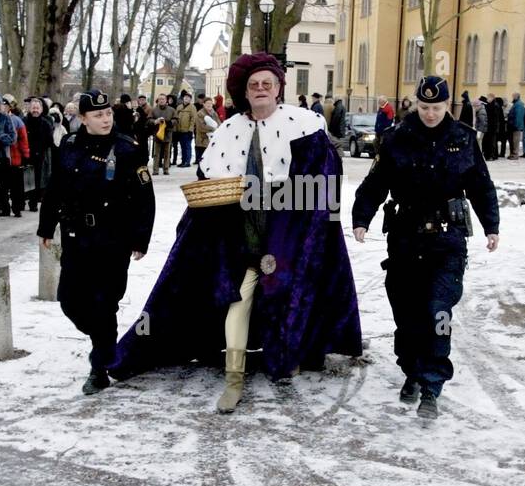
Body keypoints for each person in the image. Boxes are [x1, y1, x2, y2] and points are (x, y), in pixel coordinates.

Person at [103, 52, 363, 413]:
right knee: (237, 304)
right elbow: (207, 184)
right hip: (242, 239)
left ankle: (290, 354)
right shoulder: (229, 130)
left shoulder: (304, 126)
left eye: (267, 84)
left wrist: (303, 217)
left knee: (288, 295)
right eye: (253, 84)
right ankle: (233, 379)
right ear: (245, 90)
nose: (260, 89)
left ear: (278, 89)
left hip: (287, 237)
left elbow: (323, 185)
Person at [352, 76, 499, 420]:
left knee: (438, 311)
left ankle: (432, 383)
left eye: (436, 107)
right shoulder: (397, 137)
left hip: (447, 241)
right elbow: (376, 182)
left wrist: (491, 225)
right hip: (405, 238)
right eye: (424, 107)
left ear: (447, 105)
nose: (430, 113)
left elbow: (481, 184)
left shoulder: (463, 138)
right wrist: (362, 217)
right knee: (407, 313)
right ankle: (412, 371)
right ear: (415, 104)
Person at [38, 89, 154, 395]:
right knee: (69, 301)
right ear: (83, 118)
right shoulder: (70, 145)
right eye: (98, 115)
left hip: (112, 240)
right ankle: (105, 344)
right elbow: (55, 188)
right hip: (77, 238)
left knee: (105, 304)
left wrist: (141, 238)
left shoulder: (128, 148)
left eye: (108, 114)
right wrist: (46, 226)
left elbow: (145, 198)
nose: (105, 119)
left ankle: (99, 367)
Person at [23, 96, 54, 211]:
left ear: (41, 109)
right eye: (33, 108)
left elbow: (49, 141)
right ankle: (22, 201)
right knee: (25, 178)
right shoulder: (24, 121)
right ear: (29, 109)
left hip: (38, 155)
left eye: (37, 108)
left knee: (36, 179)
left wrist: (40, 149)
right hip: (25, 154)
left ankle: (33, 202)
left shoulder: (46, 123)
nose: (35, 110)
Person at [150, 94, 174, 175]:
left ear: (166, 100)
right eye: (160, 99)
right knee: (156, 153)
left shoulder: (171, 110)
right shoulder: (154, 110)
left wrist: (168, 122)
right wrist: (155, 121)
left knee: (167, 153)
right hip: (157, 134)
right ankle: (155, 170)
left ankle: (166, 169)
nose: (161, 100)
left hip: (167, 133)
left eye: (163, 99)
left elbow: (176, 120)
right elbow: (149, 120)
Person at [173, 92, 197, 167]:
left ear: (190, 99)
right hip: (180, 130)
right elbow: (176, 118)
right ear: (183, 98)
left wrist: (191, 130)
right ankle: (183, 161)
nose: (186, 98)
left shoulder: (192, 107)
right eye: (185, 97)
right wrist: (175, 129)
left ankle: (187, 161)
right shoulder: (179, 107)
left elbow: (193, 119)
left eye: (188, 97)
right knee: (182, 146)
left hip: (187, 131)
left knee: (187, 146)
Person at [194, 95, 220, 164]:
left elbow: (219, 123)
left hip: (212, 140)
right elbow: (201, 127)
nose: (209, 105)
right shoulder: (200, 113)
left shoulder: (214, 113)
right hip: (202, 141)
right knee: (202, 161)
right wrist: (214, 129)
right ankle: (200, 173)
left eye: (210, 103)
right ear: (204, 104)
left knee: (210, 161)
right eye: (207, 103)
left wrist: (219, 129)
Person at [509, 93, 525, 159]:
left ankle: (515, 154)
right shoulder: (516, 104)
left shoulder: (518, 104)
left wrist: (516, 125)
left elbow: (518, 116)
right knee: (513, 140)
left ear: (517, 97)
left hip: (516, 126)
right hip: (514, 125)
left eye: (513, 96)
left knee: (515, 141)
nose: (512, 97)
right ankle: (513, 154)